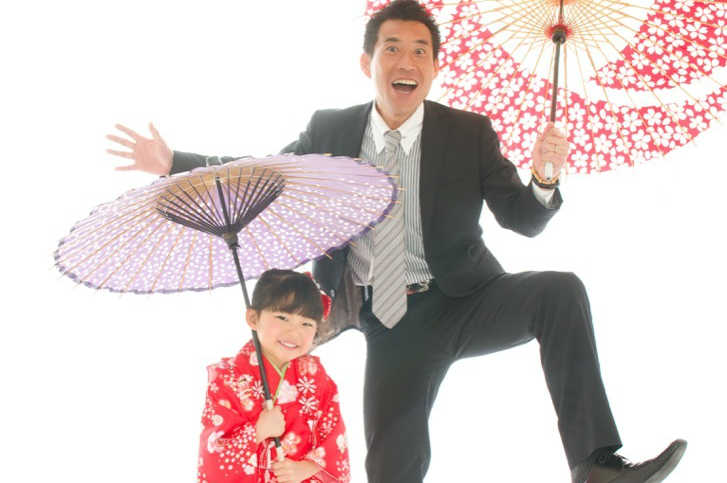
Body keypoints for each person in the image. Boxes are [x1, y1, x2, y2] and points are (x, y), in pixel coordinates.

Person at [107, 1, 687, 482]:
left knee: (561, 291)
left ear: (434, 67)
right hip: (389, 316)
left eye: (419, 51)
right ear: (368, 62)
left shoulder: (469, 133)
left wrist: (545, 176)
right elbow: (264, 175)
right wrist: (174, 162)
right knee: (391, 464)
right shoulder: (332, 129)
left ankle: (595, 465)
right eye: (392, 49)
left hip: (467, 298)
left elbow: (524, 221)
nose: (405, 61)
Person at [197, 269, 350, 483]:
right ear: (253, 318)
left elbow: (334, 439)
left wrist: (306, 468)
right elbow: (213, 454)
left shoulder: (316, 378)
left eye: (306, 323)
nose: (294, 332)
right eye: (282, 317)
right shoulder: (227, 379)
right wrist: (257, 431)